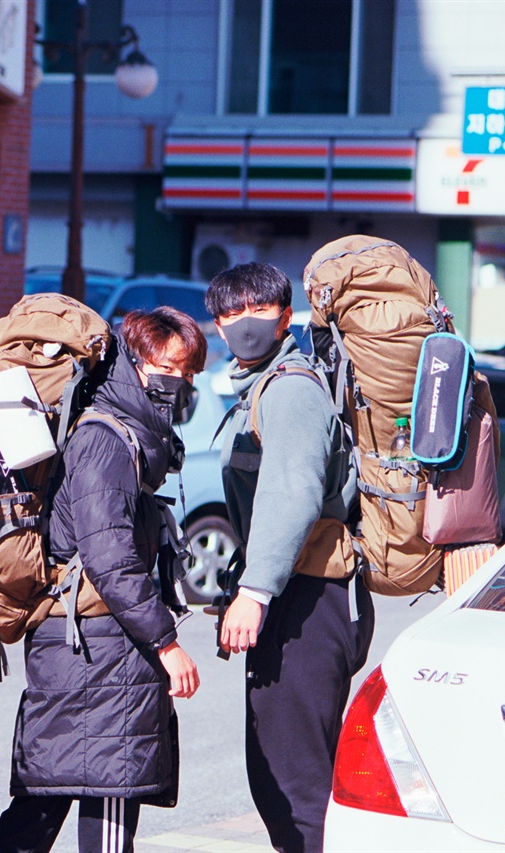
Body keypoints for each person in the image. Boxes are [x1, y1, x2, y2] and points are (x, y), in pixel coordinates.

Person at [0, 307, 204, 853]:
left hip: (84, 647)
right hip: (99, 650)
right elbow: (109, 556)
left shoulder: (119, 433)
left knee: (47, 796)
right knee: (102, 810)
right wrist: (165, 641)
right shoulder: (106, 440)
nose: (181, 381)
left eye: (191, 371)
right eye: (171, 366)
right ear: (136, 362)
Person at [208, 263, 374, 853]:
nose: (242, 324)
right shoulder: (266, 385)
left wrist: (255, 592)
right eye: (230, 314)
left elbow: (294, 490)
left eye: (257, 310)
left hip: (309, 600)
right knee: (280, 772)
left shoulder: (292, 389)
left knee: (296, 783)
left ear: (285, 317)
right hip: (299, 594)